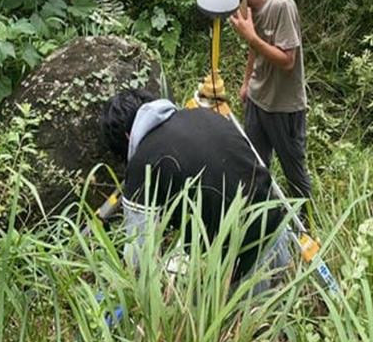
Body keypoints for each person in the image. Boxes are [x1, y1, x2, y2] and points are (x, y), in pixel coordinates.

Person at [100, 89, 291, 287]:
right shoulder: (204, 114)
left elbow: (138, 259)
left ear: (126, 136)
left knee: (204, 308)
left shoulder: (143, 164)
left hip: (245, 267)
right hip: (278, 231)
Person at [208, 0, 312, 200]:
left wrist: (251, 36)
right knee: (254, 165)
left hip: (283, 106)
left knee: (294, 173)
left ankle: (307, 227)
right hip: (257, 99)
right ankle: (263, 220)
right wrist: (246, 84)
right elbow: (253, 49)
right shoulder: (247, 6)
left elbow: (288, 61)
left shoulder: (281, 5)